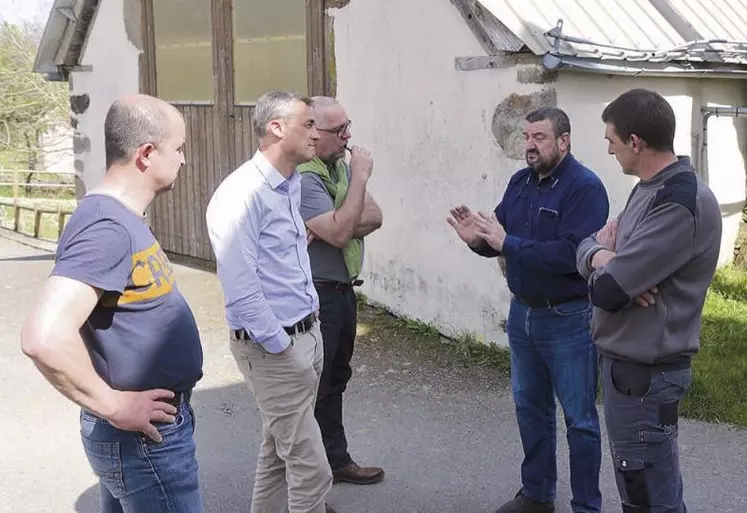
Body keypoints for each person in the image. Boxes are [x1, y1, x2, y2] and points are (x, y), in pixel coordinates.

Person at [20, 94, 204, 512]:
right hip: (142, 438)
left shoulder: (120, 219)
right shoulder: (106, 228)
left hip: (142, 434)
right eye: (178, 149)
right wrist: (114, 404)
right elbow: (43, 337)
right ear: (146, 153)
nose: (183, 160)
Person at [447, 107, 608, 513]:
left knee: (580, 421)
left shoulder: (585, 188)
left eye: (540, 137)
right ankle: (537, 495)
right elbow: (498, 235)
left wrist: (506, 244)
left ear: (564, 141)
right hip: (524, 315)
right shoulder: (520, 183)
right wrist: (475, 240)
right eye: (527, 137)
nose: (530, 145)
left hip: (569, 317)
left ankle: (586, 505)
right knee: (530, 409)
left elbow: (573, 253)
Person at [576, 88, 722, 513]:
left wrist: (610, 269)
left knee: (648, 494)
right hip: (628, 370)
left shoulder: (679, 202)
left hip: (646, 376)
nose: (609, 149)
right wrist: (606, 257)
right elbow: (590, 247)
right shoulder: (649, 187)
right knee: (639, 484)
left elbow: (606, 291)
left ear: (635, 141)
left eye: (612, 141)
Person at [205, 91, 336, 513]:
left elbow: (279, 261)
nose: (317, 134)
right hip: (273, 347)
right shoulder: (241, 194)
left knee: (278, 455)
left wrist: (309, 331)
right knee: (312, 469)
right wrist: (280, 346)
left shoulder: (289, 184)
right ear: (276, 128)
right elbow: (241, 287)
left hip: (304, 335)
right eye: (309, 125)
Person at [297, 96, 385, 485]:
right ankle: (310, 480)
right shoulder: (306, 175)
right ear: (313, 132)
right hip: (317, 293)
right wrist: (360, 181)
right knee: (314, 386)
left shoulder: (337, 168)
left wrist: (340, 220)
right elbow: (338, 230)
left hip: (342, 289)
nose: (349, 137)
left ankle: (336, 461)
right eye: (339, 131)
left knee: (336, 379)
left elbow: (373, 216)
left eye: (348, 126)